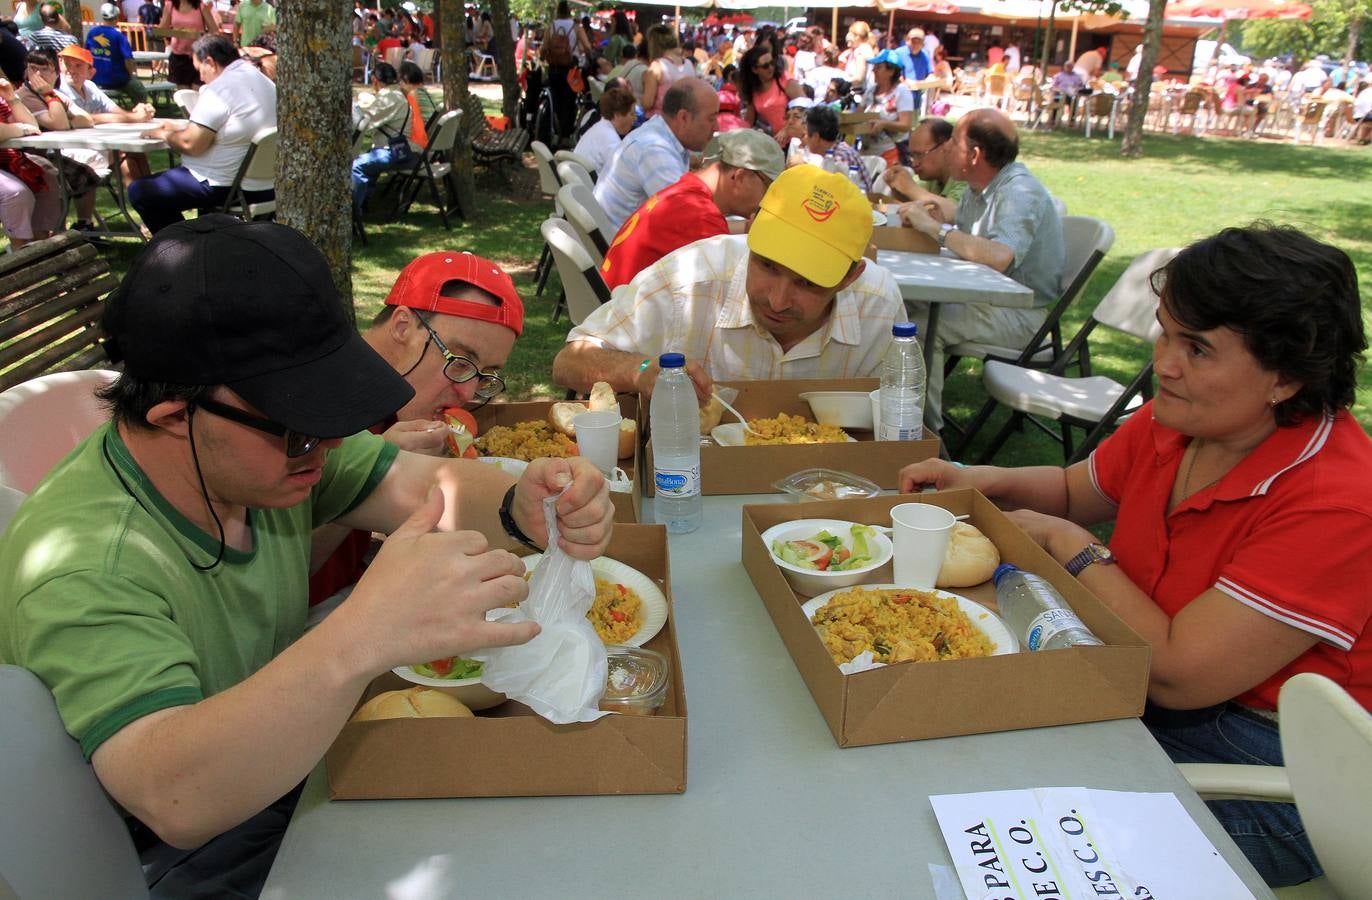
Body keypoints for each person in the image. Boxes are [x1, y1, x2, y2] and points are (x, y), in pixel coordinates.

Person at [0, 216, 613, 897]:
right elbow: (174, 797)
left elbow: (417, 486)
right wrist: (361, 636)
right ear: (176, 415)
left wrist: (520, 505)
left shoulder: (254, 444)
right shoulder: (89, 564)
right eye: (300, 431)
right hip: (171, 848)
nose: (322, 450)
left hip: (280, 760)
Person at [898, 223, 1372, 888]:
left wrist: (1076, 549)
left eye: (1197, 349)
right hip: (1149, 681)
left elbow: (1179, 675)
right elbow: (1073, 489)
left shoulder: (1337, 503)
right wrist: (983, 479)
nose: (1164, 363)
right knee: (947, 746)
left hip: (1287, 767)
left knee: (1009, 827)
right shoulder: (1186, 418)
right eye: (1166, 332)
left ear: (1285, 378)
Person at [554, 164, 904, 400]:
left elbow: (899, 420)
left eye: (809, 284)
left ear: (850, 278)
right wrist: (639, 369)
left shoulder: (878, 303)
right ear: (751, 232)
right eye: (767, 266)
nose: (779, 300)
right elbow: (569, 361)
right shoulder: (688, 278)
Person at [309, 250, 527, 604]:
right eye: (460, 361)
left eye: (485, 374)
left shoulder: (395, 404)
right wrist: (368, 480)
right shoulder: (312, 407)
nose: (467, 392)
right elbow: (271, 589)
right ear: (402, 327)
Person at [896, 108, 1064, 435]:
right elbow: (967, 223)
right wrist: (933, 214)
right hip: (988, 302)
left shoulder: (1019, 191)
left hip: (1021, 315)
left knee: (918, 327)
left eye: (953, 142)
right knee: (899, 308)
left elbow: (1000, 256)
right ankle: (899, 415)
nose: (946, 149)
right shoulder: (981, 186)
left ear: (974, 154)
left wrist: (937, 230)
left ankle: (923, 435)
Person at [600, 128, 783, 291]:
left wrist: (746, 229)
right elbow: (732, 291)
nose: (768, 199)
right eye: (769, 188)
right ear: (740, 177)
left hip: (614, 303)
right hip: (623, 319)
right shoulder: (702, 218)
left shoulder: (688, 193)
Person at [130, 33, 275, 233]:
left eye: (200, 69)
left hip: (227, 186)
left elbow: (192, 144)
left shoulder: (221, 88)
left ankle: (183, 247)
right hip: (267, 185)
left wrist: (163, 133)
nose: (200, 77)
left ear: (210, 61)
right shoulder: (265, 82)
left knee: (141, 191)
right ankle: (198, 241)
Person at [593, 77, 718, 233]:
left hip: (618, 237)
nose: (716, 126)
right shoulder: (654, 150)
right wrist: (745, 226)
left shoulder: (659, 136)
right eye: (711, 119)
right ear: (683, 117)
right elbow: (690, 223)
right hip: (621, 247)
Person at [57, 45, 154, 185]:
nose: (71, 70)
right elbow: (86, 119)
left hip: (91, 144)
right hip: (68, 151)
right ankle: (144, 200)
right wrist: (134, 117)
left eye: (78, 65)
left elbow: (119, 113)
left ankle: (149, 199)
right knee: (122, 152)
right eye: (67, 64)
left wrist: (139, 111)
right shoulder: (58, 89)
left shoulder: (90, 87)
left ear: (90, 72)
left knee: (134, 151)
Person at [349, 61, 420, 217]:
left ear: (375, 79)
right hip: (396, 149)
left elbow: (365, 121)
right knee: (367, 164)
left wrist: (353, 107)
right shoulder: (395, 94)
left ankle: (354, 211)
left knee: (355, 166)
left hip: (391, 152)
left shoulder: (390, 97)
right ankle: (365, 203)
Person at [0, 77, 61, 249]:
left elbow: (32, 125)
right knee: (15, 192)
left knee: (46, 173)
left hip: (6, 160)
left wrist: (12, 98)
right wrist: (20, 129)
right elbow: (24, 128)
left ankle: (41, 244)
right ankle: (19, 251)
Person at [880, 117, 961, 209]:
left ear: (946, 147)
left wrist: (910, 188)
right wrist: (899, 190)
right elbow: (920, 207)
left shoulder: (965, 178)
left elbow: (954, 214)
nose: (914, 164)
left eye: (919, 155)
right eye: (912, 156)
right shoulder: (934, 178)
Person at [791, 104, 868, 191]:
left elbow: (833, 193)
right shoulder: (835, 151)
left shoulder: (839, 159)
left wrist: (804, 167)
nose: (805, 139)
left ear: (816, 137)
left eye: (806, 134)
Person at [86, 2, 149, 104]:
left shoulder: (92, 33)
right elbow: (128, 59)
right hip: (117, 79)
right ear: (116, 18)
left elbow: (87, 55)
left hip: (95, 78)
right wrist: (130, 74)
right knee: (140, 92)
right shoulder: (119, 36)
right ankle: (140, 110)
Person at [863, 49, 915, 168]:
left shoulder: (902, 92)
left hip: (892, 151)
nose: (874, 70)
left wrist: (883, 124)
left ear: (891, 71)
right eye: (874, 67)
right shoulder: (870, 91)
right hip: (868, 151)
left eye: (878, 67)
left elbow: (905, 124)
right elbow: (859, 116)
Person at [739, 41, 802, 135]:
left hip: (795, 140)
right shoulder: (753, 90)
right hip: (774, 142)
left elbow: (805, 106)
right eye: (765, 66)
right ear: (754, 70)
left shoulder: (784, 79)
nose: (771, 68)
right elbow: (749, 122)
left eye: (772, 63)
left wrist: (787, 129)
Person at [572, 85, 635, 173]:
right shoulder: (610, 140)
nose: (634, 119)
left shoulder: (598, 129)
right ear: (617, 114)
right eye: (631, 114)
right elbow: (624, 174)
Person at [640, 23, 694, 120]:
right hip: (684, 122)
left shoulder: (656, 67)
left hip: (659, 123)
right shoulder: (689, 64)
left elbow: (647, 103)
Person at [161, 0, 217, 88]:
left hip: (199, 55)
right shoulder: (170, 6)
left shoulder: (201, 6)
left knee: (198, 92)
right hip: (178, 56)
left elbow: (215, 31)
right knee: (184, 95)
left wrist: (199, 35)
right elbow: (161, 31)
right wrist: (178, 33)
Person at [893, 28, 932, 109]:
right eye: (913, 41)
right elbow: (894, 74)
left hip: (917, 95)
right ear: (907, 40)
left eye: (919, 42)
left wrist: (926, 82)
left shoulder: (925, 55)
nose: (916, 45)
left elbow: (930, 73)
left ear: (922, 44)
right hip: (900, 94)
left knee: (914, 119)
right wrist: (906, 84)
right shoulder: (898, 53)